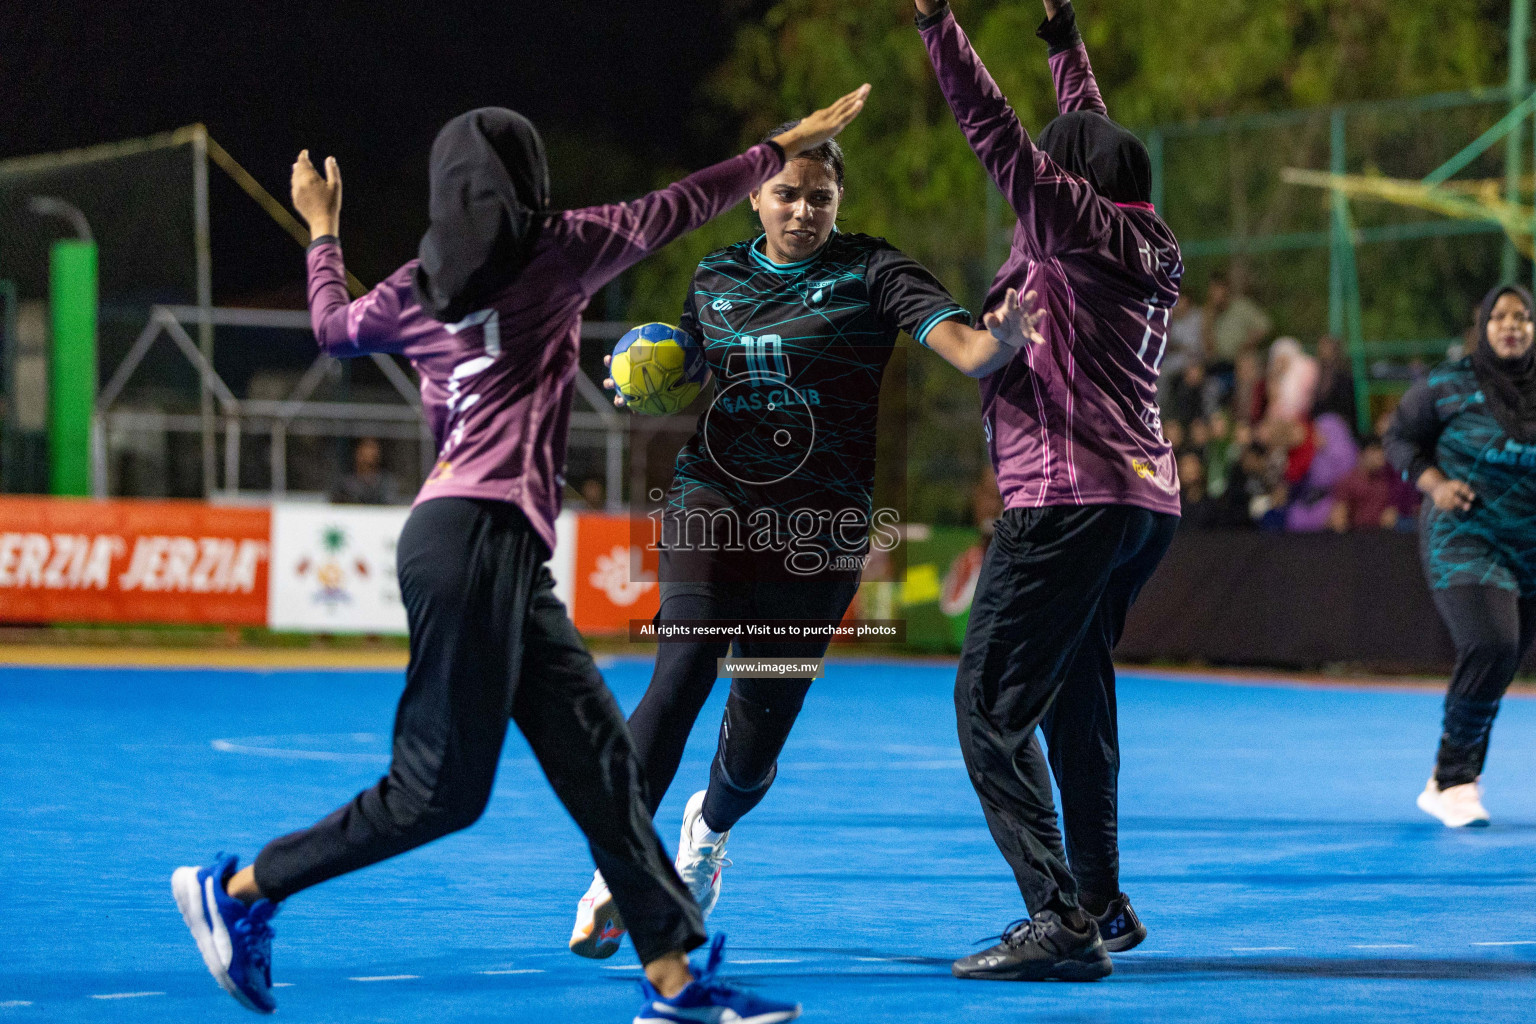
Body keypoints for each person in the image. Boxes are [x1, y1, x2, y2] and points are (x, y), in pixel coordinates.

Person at [171, 90, 874, 1024]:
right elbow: (693, 198)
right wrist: (786, 141)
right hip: (478, 543)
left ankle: (674, 982)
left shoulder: (416, 283)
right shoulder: (563, 248)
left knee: (602, 766)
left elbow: (334, 332)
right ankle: (241, 889)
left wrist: (323, 231)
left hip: (467, 543)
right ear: (530, 180)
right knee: (434, 794)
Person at [571, 115, 1044, 959]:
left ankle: (707, 834)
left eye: (819, 198)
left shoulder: (872, 269)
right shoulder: (714, 277)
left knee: (753, 744)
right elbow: (688, 360)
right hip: (711, 502)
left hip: (820, 533)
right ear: (754, 196)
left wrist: (996, 341)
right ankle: (620, 867)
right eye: (786, 194)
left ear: (838, 202)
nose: (802, 211)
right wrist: (654, 371)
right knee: (680, 671)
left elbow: (967, 350)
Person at [914, 0, 1182, 981]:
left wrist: (938, 25)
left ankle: (1058, 916)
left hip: (1065, 493)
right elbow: (1087, 131)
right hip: (1142, 503)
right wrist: (1066, 45)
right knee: (1077, 694)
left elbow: (1001, 136)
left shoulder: (1069, 225)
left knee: (987, 708)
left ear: (1075, 185)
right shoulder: (1146, 241)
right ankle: (1101, 895)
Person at [1384, 284, 1536, 828]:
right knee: (1492, 642)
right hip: (1465, 534)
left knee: (1502, 663)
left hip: (1530, 545)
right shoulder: (1447, 385)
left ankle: (1452, 778)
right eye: (1500, 317)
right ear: (1483, 326)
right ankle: (1453, 780)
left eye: (1523, 317)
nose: (1512, 326)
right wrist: (1435, 484)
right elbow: (1399, 440)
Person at [330, 436, 402, 504]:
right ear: (357, 452)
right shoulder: (345, 485)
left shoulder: (387, 483)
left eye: (373, 448)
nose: (370, 452)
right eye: (366, 447)